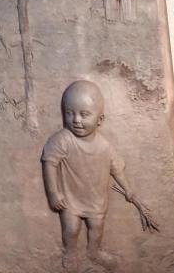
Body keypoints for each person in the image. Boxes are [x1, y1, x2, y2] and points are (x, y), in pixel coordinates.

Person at [41, 80, 140, 272]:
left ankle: (94, 252)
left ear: (100, 119)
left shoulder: (105, 146)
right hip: (70, 199)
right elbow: (49, 162)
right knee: (71, 229)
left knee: (97, 228)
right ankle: (70, 252)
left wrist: (128, 189)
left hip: (96, 200)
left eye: (84, 114)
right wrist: (53, 193)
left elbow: (117, 169)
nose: (76, 120)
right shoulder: (62, 139)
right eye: (70, 113)